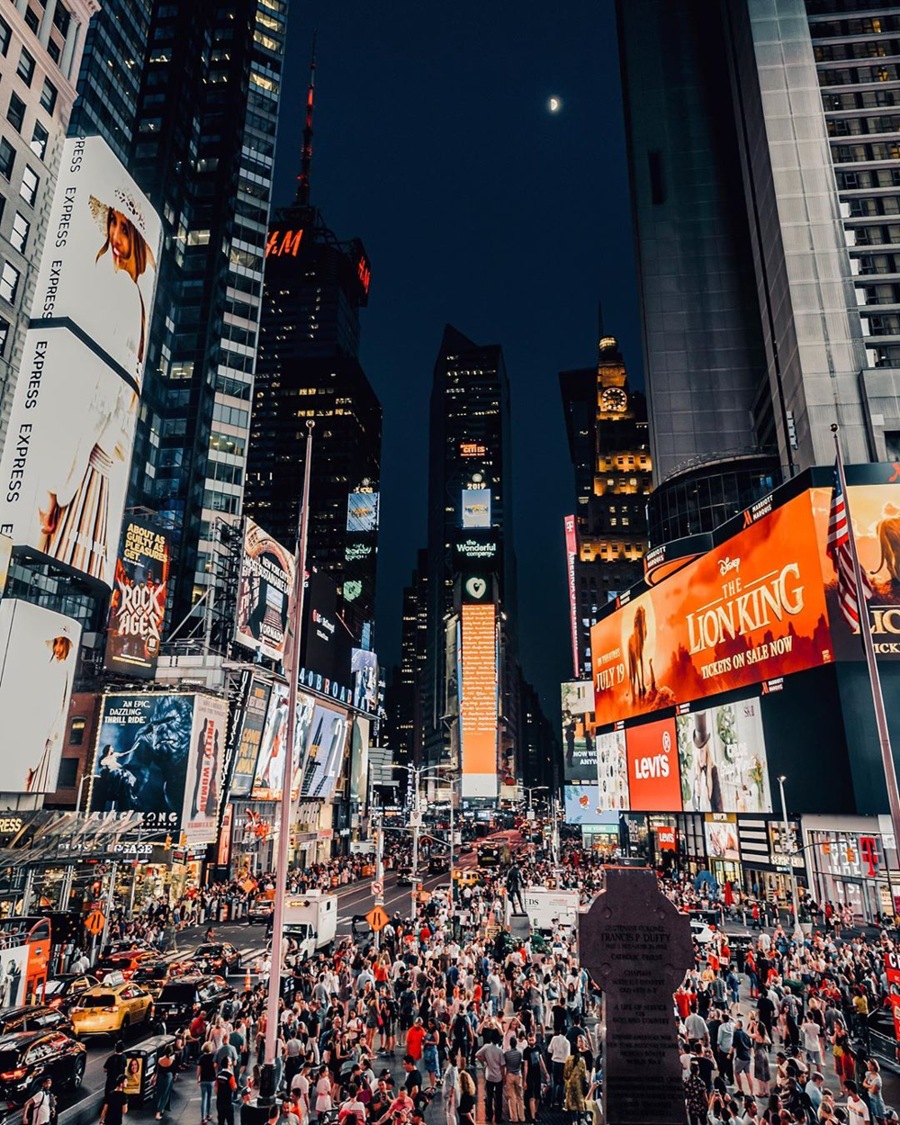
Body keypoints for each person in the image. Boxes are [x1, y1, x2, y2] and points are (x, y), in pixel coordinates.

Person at [476, 1037, 506, 1124]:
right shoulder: (500, 1051)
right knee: (499, 1098)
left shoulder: (486, 1047)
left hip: (489, 1076)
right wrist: (504, 1078)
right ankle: (498, 1117)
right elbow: (502, 1066)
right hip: (498, 1077)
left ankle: (489, 1115)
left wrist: (485, 1060)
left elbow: (477, 1055)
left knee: (489, 1096)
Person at [155, 1046, 176, 1119]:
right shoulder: (172, 1060)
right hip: (168, 1077)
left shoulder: (160, 1059)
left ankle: (162, 1108)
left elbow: (156, 1070)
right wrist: (174, 1077)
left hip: (160, 1077)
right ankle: (158, 1112)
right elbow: (174, 1071)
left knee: (160, 1093)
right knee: (166, 1094)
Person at [199, 1041, 218, 1123]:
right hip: (211, 1080)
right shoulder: (213, 1057)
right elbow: (215, 1067)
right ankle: (209, 1114)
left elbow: (198, 1070)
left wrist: (198, 1078)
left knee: (204, 1098)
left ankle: (203, 1118)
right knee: (209, 1097)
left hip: (203, 1079)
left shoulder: (201, 1058)